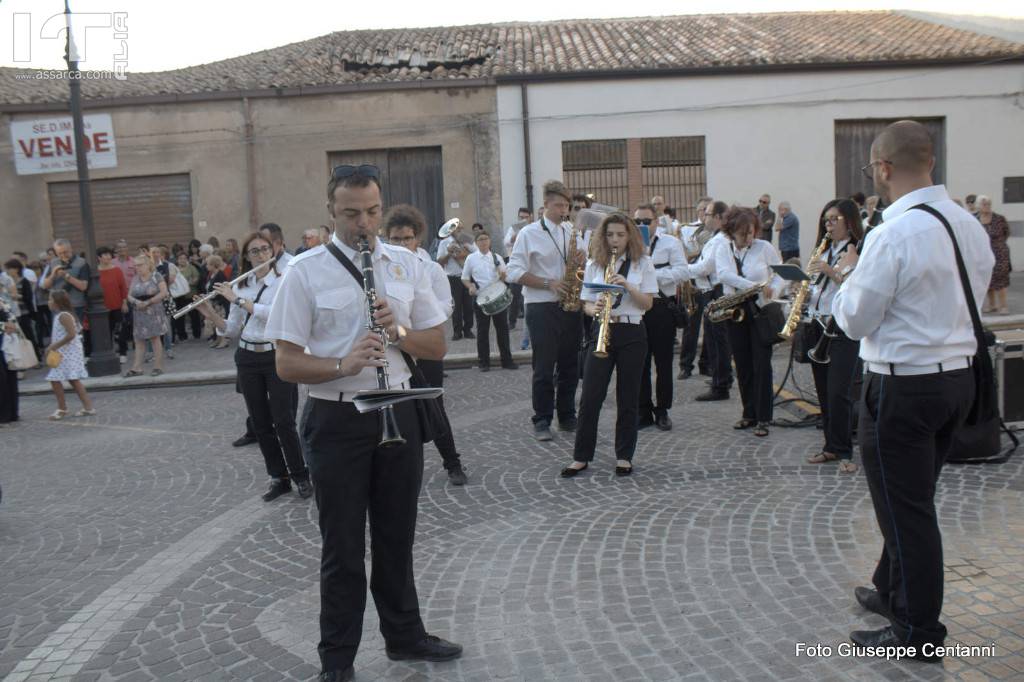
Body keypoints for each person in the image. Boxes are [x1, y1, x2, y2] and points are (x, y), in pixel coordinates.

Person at [265, 163, 461, 680]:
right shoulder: (304, 271)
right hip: (337, 416)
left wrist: (395, 331)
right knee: (344, 546)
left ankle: (405, 636)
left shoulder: (406, 265)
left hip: (398, 407)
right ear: (331, 211)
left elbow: (437, 343)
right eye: (352, 213)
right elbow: (286, 362)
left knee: (397, 536)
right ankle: (337, 660)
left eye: (372, 211)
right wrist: (341, 365)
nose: (364, 223)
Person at [833, 120, 994, 660]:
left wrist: (849, 276)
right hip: (957, 381)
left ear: (882, 168)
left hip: (904, 389)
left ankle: (917, 631)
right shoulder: (966, 223)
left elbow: (855, 321)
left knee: (907, 512)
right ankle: (889, 589)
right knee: (911, 499)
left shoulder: (892, 233)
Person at [196, 232, 312, 501]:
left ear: (273, 251)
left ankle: (300, 474)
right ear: (247, 257)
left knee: (284, 421)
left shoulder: (284, 282)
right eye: (254, 252)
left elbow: (274, 315)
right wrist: (211, 313)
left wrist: (237, 300)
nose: (260, 255)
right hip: (248, 358)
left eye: (264, 250)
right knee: (261, 424)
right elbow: (233, 329)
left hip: (276, 356)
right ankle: (278, 477)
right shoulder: (243, 284)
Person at [561, 213, 657, 478]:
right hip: (602, 329)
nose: (615, 240)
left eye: (621, 235)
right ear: (603, 237)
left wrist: (627, 285)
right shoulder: (595, 263)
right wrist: (596, 309)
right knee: (591, 397)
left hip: (632, 330)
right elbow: (586, 303)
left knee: (628, 397)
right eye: (610, 234)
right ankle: (581, 457)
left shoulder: (643, 263)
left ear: (630, 237)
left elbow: (647, 303)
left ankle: (624, 456)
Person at [385, 204, 470, 486]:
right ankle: (404, 466)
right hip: (395, 349)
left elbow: (446, 304)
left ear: (417, 239)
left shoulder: (431, 269)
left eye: (406, 238)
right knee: (398, 408)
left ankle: (452, 462)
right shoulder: (383, 268)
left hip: (424, 346)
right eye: (395, 239)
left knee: (434, 407)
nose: (401, 244)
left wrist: (422, 325)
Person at [507, 179, 584, 441]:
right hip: (541, 306)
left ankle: (567, 415)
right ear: (545, 205)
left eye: (566, 205)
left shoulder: (571, 230)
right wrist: (548, 283)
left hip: (570, 304)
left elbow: (582, 261)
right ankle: (541, 419)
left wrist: (582, 262)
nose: (563, 210)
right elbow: (513, 271)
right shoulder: (529, 233)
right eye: (558, 205)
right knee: (544, 365)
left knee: (569, 364)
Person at [804, 199, 864, 474]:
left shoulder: (857, 249)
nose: (828, 225)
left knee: (840, 392)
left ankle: (844, 450)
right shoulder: (825, 250)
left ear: (848, 221)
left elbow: (857, 287)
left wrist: (830, 272)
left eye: (834, 219)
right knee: (825, 392)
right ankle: (830, 446)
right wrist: (803, 291)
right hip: (818, 323)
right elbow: (819, 288)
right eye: (825, 220)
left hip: (841, 327)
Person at [715, 207, 783, 437]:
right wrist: (754, 286)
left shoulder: (765, 248)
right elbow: (724, 275)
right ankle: (749, 413)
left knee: (762, 363)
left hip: (759, 309)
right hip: (735, 309)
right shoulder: (723, 249)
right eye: (744, 233)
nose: (749, 237)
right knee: (742, 363)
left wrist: (775, 288)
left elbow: (781, 272)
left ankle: (764, 417)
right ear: (732, 231)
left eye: (752, 232)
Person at [636, 204, 688, 431]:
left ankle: (663, 410)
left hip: (662, 307)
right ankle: (643, 410)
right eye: (637, 221)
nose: (642, 226)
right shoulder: (631, 244)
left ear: (657, 221)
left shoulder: (670, 243)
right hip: (638, 307)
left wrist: (651, 275)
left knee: (664, 362)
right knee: (640, 363)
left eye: (646, 221)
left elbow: (683, 271)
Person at [690, 201, 734, 401]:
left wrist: (683, 269)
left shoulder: (719, 240)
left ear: (717, 217)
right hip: (712, 290)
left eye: (707, 214)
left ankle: (721, 385)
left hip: (715, 292)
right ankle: (720, 378)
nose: (703, 217)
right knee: (714, 339)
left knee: (718, 340)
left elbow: (705, 267)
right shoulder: (716, 238)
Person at [461, 231, 517, 372]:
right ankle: (484, 363)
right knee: (482, 332)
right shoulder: (471, 259)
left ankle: (507, 361)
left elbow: (505, 277)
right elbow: (464, 278)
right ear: (476, 242)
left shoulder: (497, 257)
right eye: (480, 239)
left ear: (490, 241)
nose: (484, 241)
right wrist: (470, 286)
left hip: (497, 298)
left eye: (486, 238)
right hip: (481, 300)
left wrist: (504, 275)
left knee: (503, 330)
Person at [44, 290, 95, 419]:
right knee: (70, 380)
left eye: (50, 299)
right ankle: (87, 407)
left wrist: (53, 346)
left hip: (67, 353)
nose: (48, 302)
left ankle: (62, 408)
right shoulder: (61, 315)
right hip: (65, 352)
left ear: (57, 302)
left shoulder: (64, 316)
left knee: (59, 379)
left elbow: (71, 334)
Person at [124, 254, 169, 378]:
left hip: (153, 310)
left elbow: (164, 292)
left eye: (140, 265)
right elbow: (129, 295)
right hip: (139, 311)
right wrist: (136, 302)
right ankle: (137, 367)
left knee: (155, 338)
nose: (137, 268)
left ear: (148, 265)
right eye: (136, 266)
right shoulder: (135, 278)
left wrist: (149, 302)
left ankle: (158, 366)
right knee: (138, 340)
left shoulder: (156, 276)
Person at [436, 219, 475, 341]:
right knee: (456, 306)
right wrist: (449, 253)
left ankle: (468, 330)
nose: (459, 231)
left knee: (469, 305)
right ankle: (457, 331)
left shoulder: (466, 240)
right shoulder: (444, 243)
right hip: (452, 277)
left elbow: (476, 255)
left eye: (460, 228)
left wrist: (463, 251)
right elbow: (440, 261)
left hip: (467, 277)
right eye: (456, 229)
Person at [977, 195, 1011, 315]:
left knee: (1000, 279)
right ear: (978, 206)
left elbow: (1006, 233)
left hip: (999, 252)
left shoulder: (999, 218)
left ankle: (1003, 306)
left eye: (988, 204)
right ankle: (992, 305)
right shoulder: (975, 219)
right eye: (984, 204)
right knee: (987, 279)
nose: (987, 206)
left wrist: (997, 244)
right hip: (982, 253)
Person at [96, 247, 129, 363]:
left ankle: (123, 352)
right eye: (105, 255)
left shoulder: (117, 270)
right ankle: (109, 353)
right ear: (99, 257)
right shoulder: (96, 271)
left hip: (117, 306)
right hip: (102, 308)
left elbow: (123, 288)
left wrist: (124, 302)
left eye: (109, 254)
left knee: (120, 331)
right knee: (106, 332)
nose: (108, 257)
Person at [504, 207, 532, 332]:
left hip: (530, 266)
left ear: (530, 217)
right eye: (521, 217)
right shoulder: (513, 228)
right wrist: (515, 235)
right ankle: (511, 321)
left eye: (525, 217)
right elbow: (506, 242)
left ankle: (530, 322)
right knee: (514, 295)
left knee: (528, 296)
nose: (523, 219)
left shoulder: (535, 227)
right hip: (517, 265)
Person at [203, 254, 230, 349]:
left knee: (220, 322)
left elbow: (222, 290)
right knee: (214, 322)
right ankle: (218, 339)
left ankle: (224, 340)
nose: (206, 266)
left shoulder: (220, 275)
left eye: (208, 264)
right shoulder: (211, 275)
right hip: (213, 303)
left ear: (214, 265)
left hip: (220, 303)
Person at [176, 252, 202, 339]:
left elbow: (196, 279)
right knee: (180, 316)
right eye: (180, 258)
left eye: (184, 258)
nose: (182, 260)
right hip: (179, 297)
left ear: (187, 259)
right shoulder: (175, 269)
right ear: (177, 260)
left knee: (194, 315)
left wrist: (186, 283)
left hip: (191, 295)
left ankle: (197, 334)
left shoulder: (191, 268)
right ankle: (182, 335)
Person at [0, 303, 18, 427]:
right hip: (6, 341)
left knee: (5, 378)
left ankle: (6, 414)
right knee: (8, 376)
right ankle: (10, 413)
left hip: (5, 341)